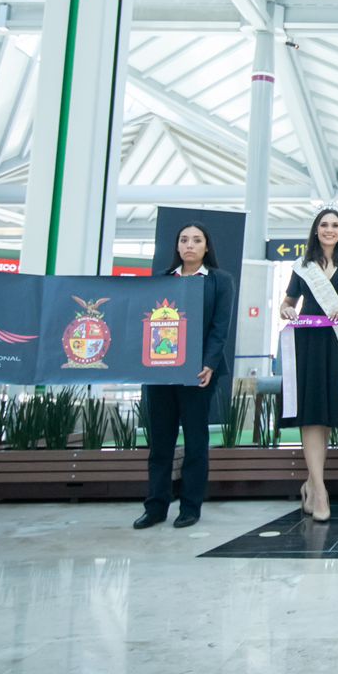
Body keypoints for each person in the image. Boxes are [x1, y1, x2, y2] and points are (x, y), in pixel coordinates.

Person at [133, 223, 235, 531]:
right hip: (161, 373)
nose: (190, 245)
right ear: (177, 246)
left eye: (196, 240)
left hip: (199, 373)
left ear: (206, 247)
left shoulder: (219, 281)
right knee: (160, 442)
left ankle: (190, 507)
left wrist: (209, 364)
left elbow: (220, 328)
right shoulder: (161, 281)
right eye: (184, 240)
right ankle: (155, 507)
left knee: (195, 441)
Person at [279, 208, 338, 523]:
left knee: (326, 416)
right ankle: (320, 491)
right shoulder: (303, 266)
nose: (329, 229)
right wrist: (286, 310)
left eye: (335, 225)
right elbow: (288, 302)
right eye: (324, 225)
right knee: (311, 415)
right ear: (316, 230)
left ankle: (310, 483)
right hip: (307, 344)